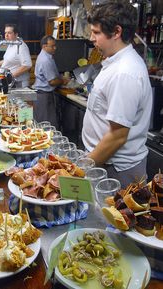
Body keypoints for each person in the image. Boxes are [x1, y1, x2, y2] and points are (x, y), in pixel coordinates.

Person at [82, 0, 152, 188]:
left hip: (116, 169)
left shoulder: (125, 72)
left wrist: (83, 169)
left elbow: (117, 136)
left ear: (117, 32)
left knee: (113, 217)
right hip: (102, 161)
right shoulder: (114, 63)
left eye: (96, 32)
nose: (91, 38)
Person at [33, 35, 69, 127]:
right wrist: (63, 81)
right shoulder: (45, 60)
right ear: (44, 46)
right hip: (44, 96)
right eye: (52, 46)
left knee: (44, 124)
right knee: (47, 126)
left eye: (55, 45)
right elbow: (52, 81)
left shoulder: (47, 56)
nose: (55, 48)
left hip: (42, 95)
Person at [0, 24, 32, 88]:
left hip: (19, 83)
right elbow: (8, 60)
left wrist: (11, 76)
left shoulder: (21, 46)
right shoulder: (11, 44)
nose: (6, 35)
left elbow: (27, 65)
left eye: (9, 33)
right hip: (10, 81)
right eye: (5, 33)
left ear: (16, 34)